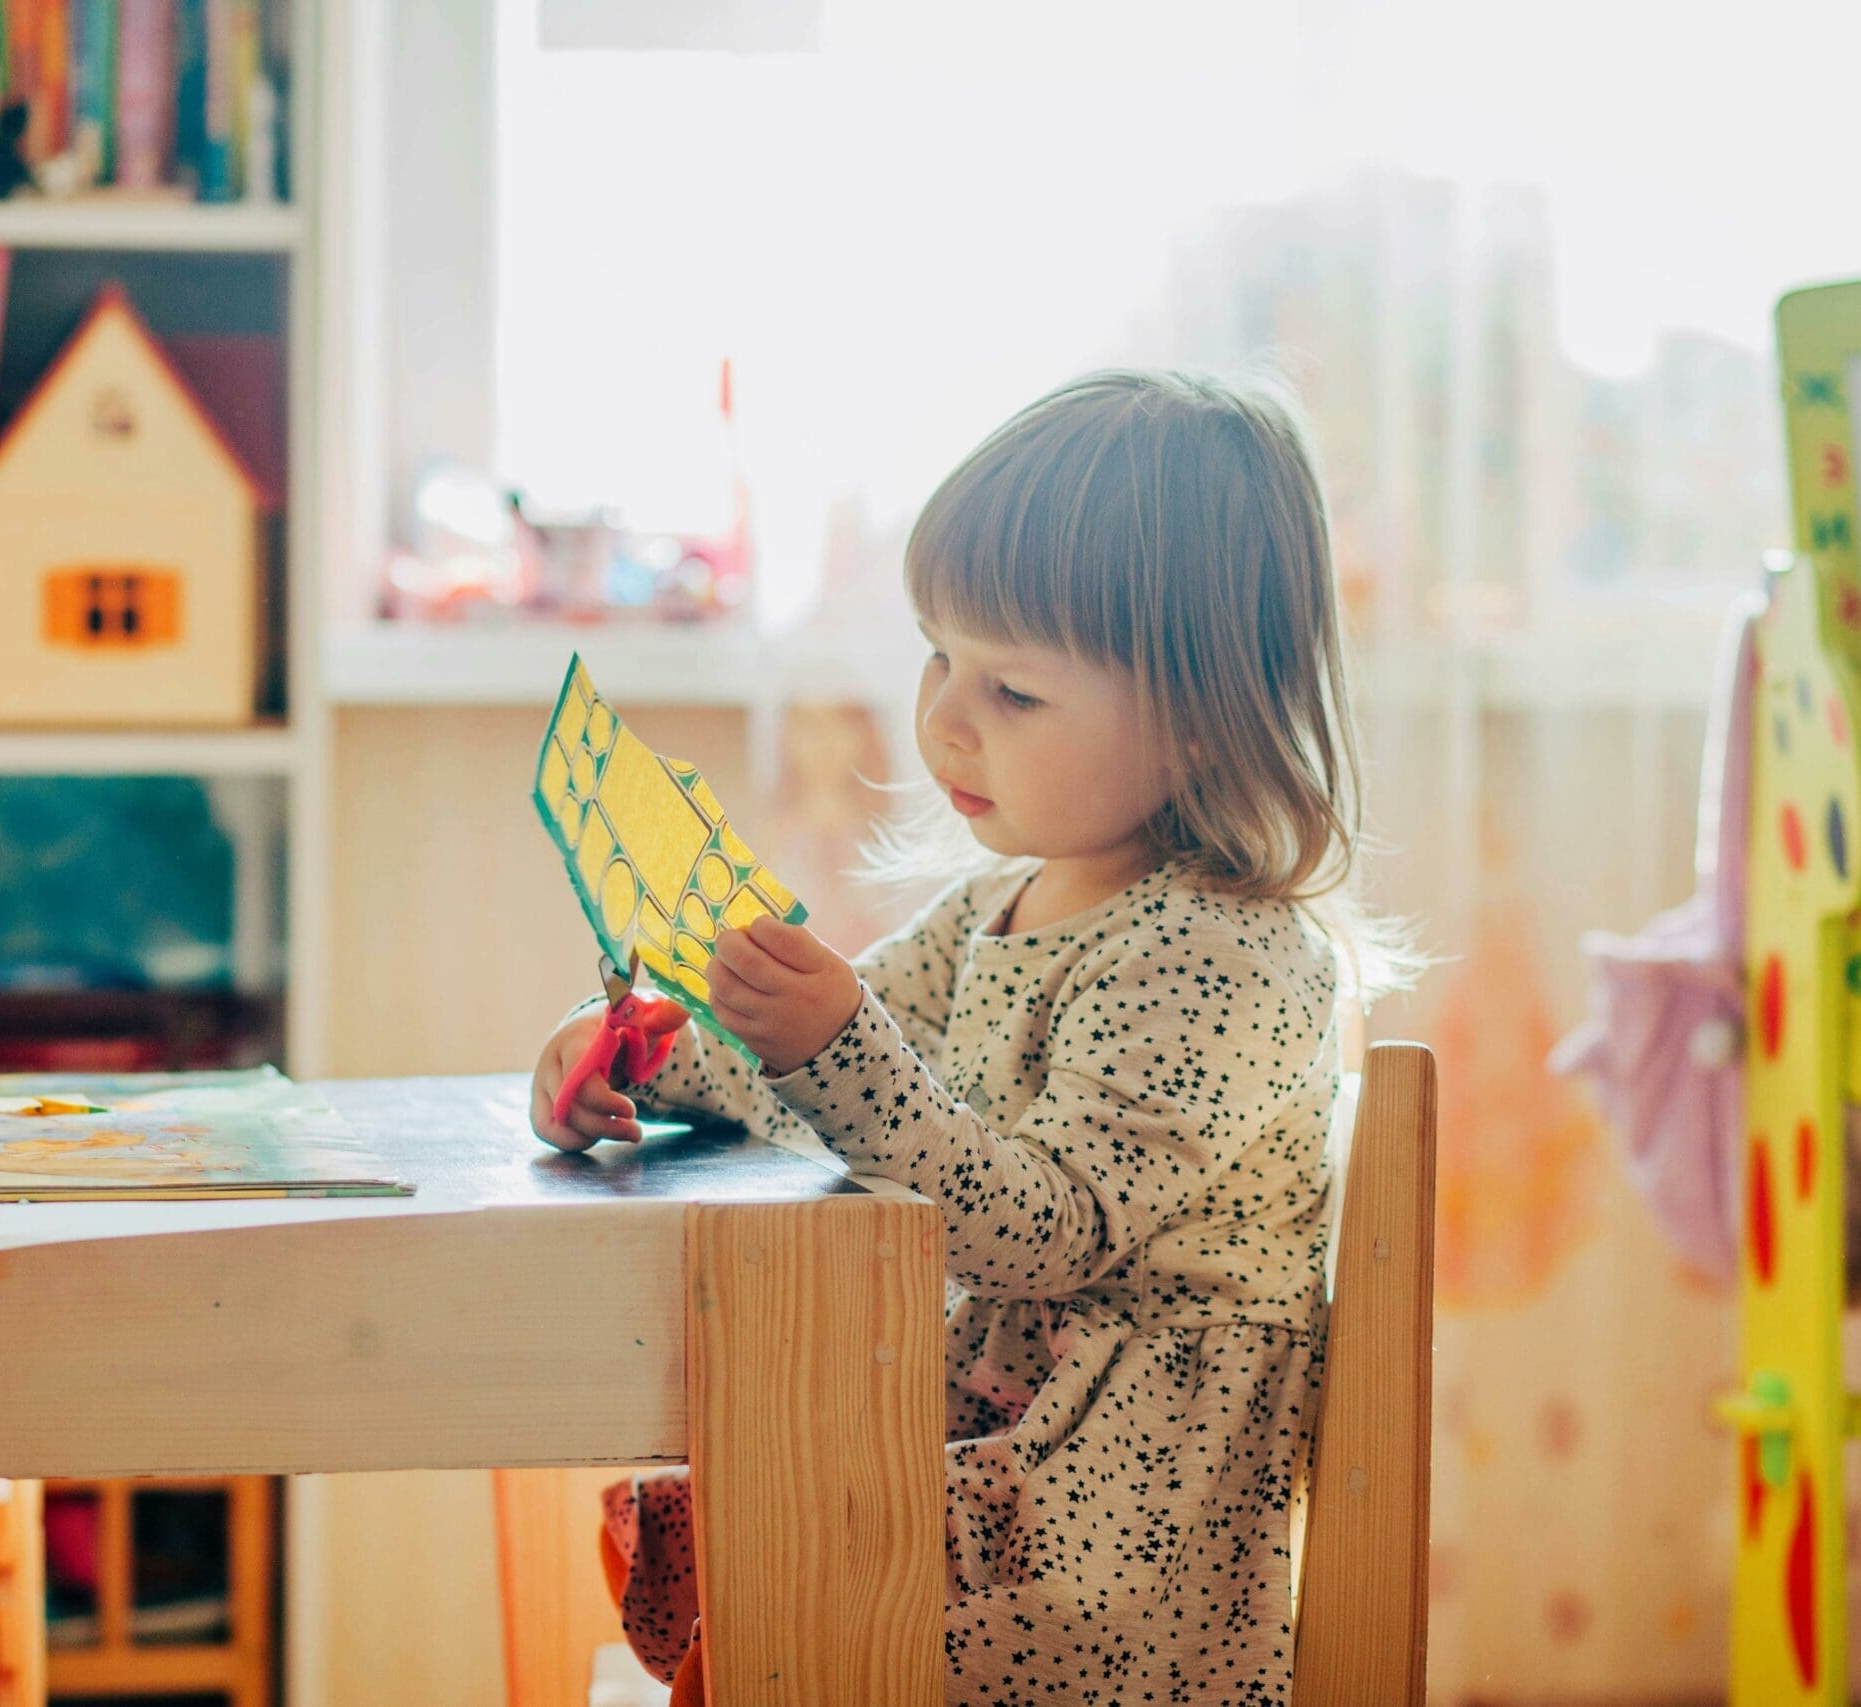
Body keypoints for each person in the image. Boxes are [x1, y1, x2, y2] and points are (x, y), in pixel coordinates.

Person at [532, 369, 1409, 1703]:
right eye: (941, 654)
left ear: (1198, 716)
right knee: (756, 1500)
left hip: (1105, 1553)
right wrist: (659, 1058)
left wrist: (827, 1045)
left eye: (1014, 691)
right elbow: (832, 1078)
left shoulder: (1228, 956)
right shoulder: (998, 902)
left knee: (790, 1556)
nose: (944, 714)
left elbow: (1041, 1229)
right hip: (998, 1459)